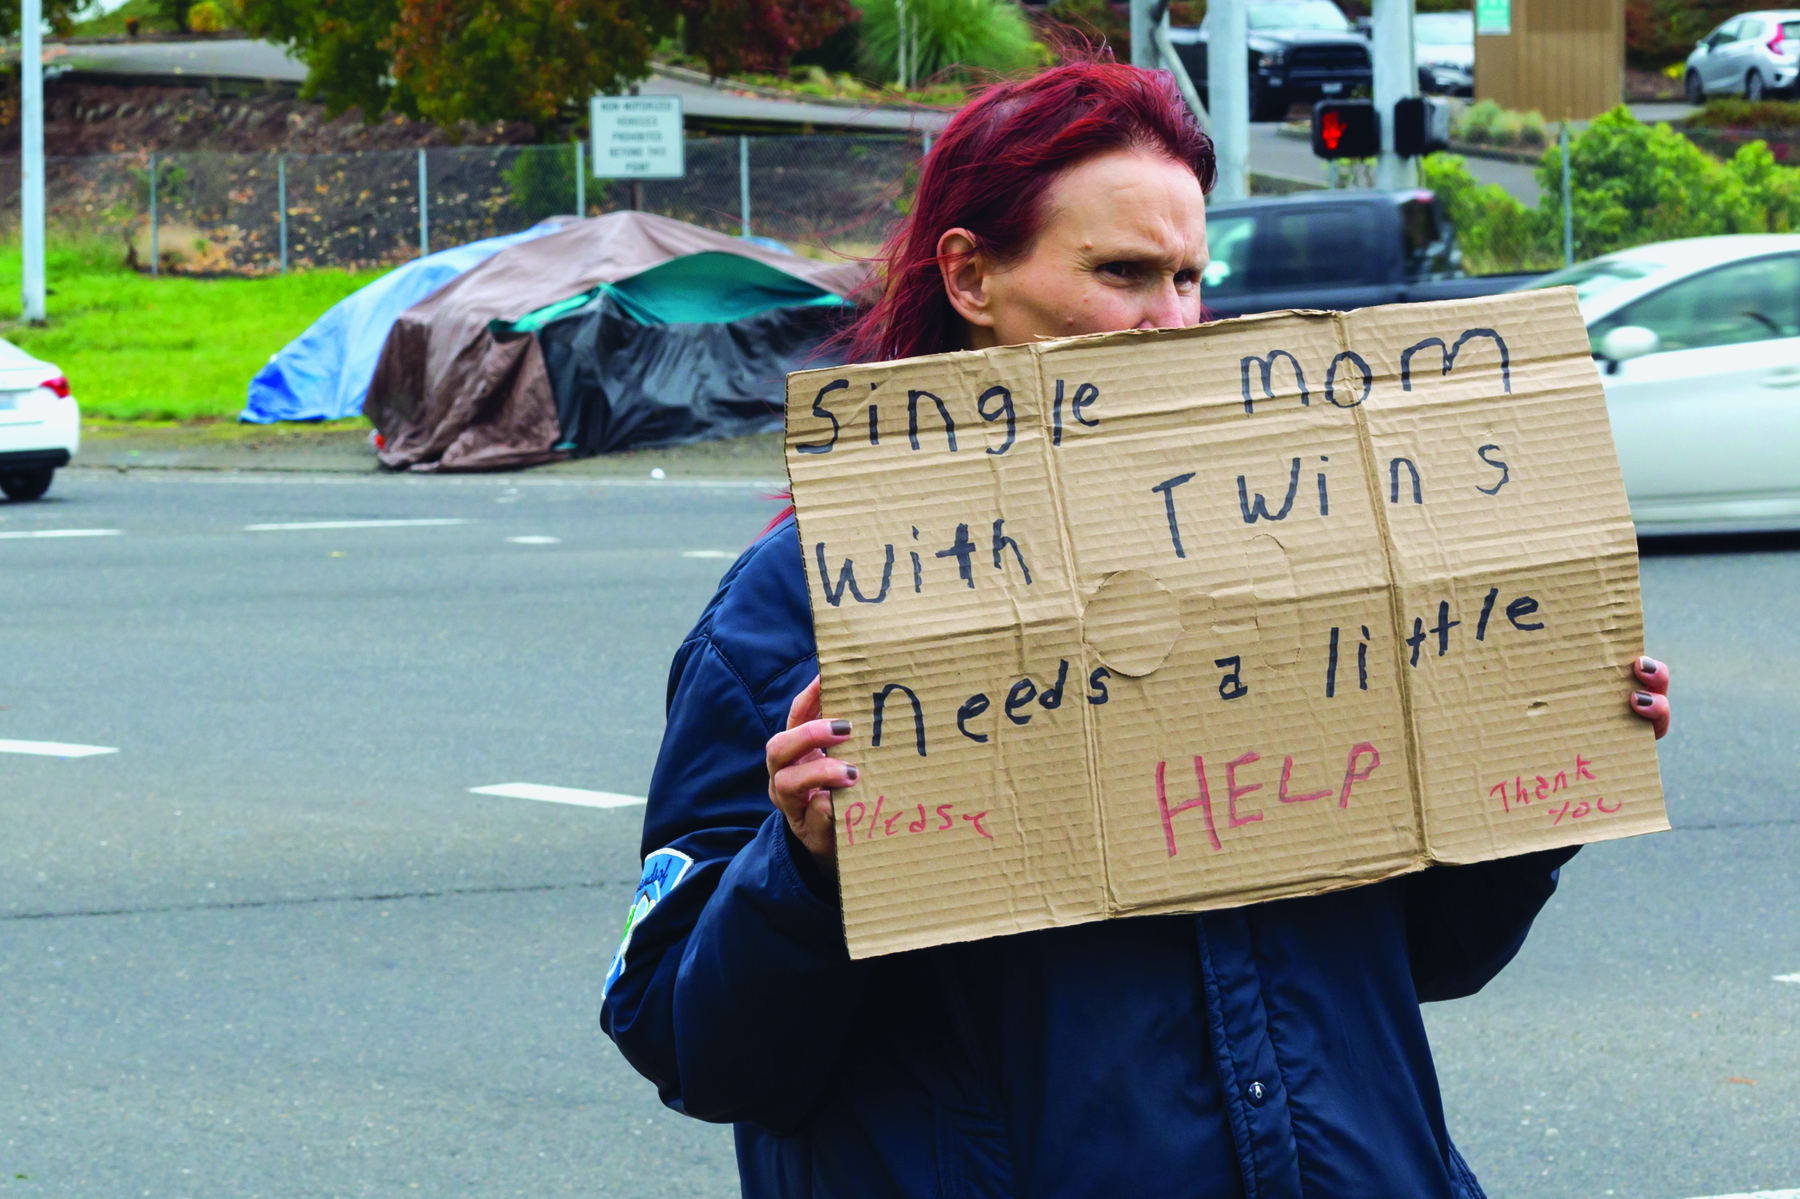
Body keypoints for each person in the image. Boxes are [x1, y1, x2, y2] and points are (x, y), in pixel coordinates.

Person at [601, 59, 1674, 1199]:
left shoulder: (1301, 547)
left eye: (1190, 278)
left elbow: (1425, 960)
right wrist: (803, 869)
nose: (1172, 322)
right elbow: (693, 1044)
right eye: (1123, 274)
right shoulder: (791, 611)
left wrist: (1533, 775)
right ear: (970, 275)